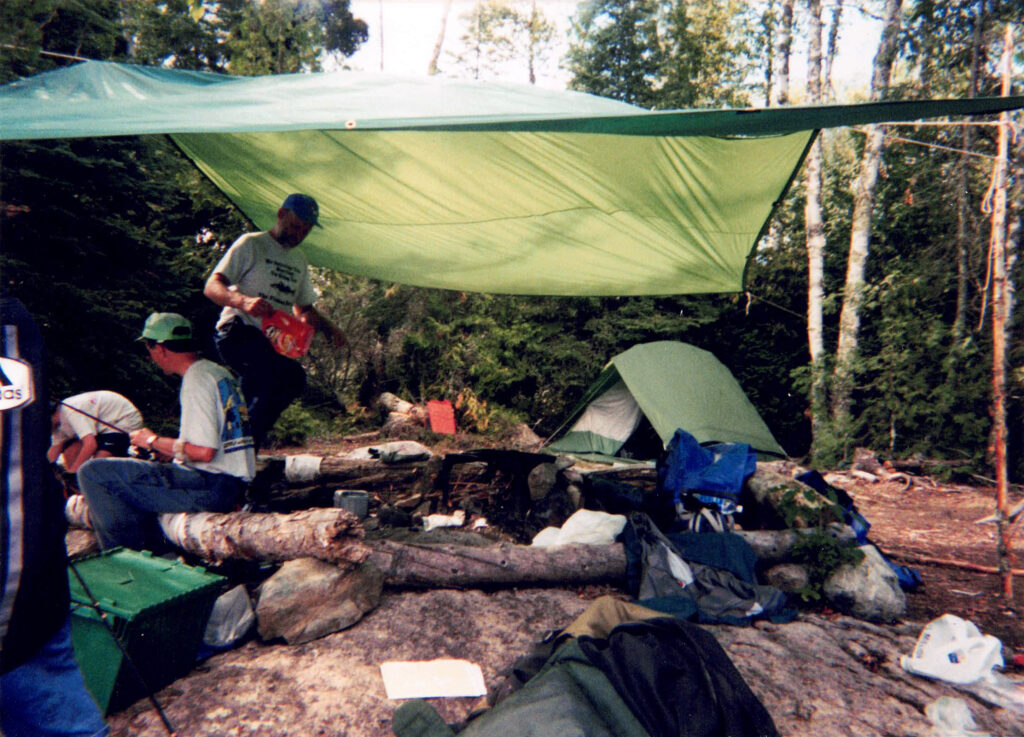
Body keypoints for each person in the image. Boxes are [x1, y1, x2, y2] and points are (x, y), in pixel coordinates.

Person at [1, 295, 109, 737]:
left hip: (17, 609)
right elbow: (46, 449)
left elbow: (88, 444)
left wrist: (73, 477)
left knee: (96, 467)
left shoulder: (72, 410)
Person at [76, 313, 255, 552]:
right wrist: (168, 451)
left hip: (211, 486)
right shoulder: (218, 372)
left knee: (93, 473)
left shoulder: (196, 379)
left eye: (149, 350)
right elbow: (211, 445)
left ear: (159, 348)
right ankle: (155, 550)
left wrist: (151, 440)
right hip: (228, 484)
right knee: (119, 478)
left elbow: (204, 452)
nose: (151, 358)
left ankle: (128, 560)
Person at [204, 193, 346, 448]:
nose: (298, 235)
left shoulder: (299, 260)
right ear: (281, 214)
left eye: (305, 231)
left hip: (272, 342)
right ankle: (242, 443)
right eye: (295, 227)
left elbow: (304, 308)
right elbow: (212, 287)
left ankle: (240, 446)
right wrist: (242, 301)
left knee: (276, 385)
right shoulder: (251, 244)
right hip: (237, 331)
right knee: (281, 374)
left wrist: (328, 329)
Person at [48, 390, 144, 473]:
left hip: (121, 420)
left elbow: (90, 444)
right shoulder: (58, 425)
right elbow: (54, 450)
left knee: (96, 465)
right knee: (71, 451)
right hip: (100, 426)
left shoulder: (70, 412)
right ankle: (75, 485)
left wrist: (73, 472)